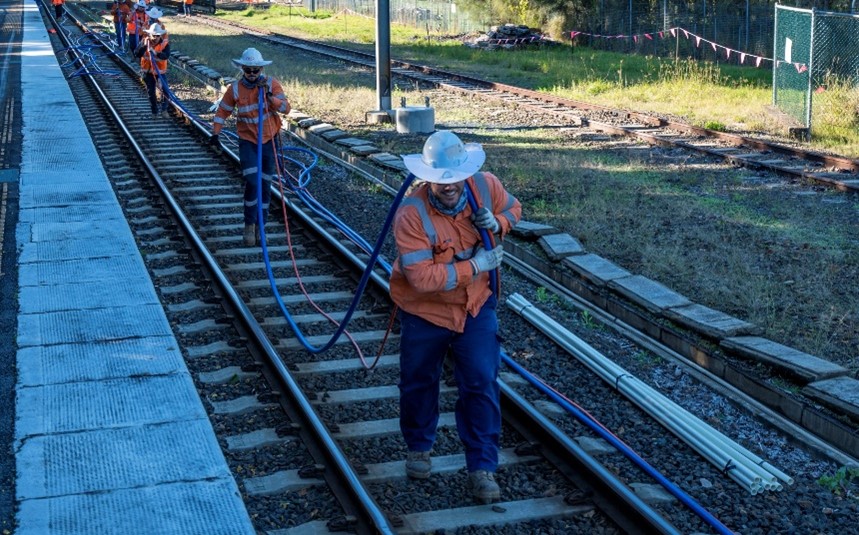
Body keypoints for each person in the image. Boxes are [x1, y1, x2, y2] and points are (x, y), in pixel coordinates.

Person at [390, 130, 521, 503]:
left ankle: (482, 468)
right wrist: (476, 264)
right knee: (417, 380)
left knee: (481, 381)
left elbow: (514, 208)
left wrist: (499, 224)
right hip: (426, 311)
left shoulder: (486, 185)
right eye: (438, 182)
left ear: (465, 172)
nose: (448, 188)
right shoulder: (411, 215)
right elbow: (422, 278)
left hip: (476, 305)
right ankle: (418, 446)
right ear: (427, 178)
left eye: (453, 180)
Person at [210, 48, 290, 246]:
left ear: (261, 69)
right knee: (253, 182)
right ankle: (249, 225)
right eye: (248, 70)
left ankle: (260, 228)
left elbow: (286, 108)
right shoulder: (235, 89)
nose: (252, 74)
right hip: (248, 141)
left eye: (256, 70)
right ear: (242, 69)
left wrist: (270, 97)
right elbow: (223, 111)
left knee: (265, 185)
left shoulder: (271, 84)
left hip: (269, 140)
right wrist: (215, 133)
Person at [134, 23, 170, 117]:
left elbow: (166, 55)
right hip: (148, 72)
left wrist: (156, 53)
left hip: (160, 72)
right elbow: (136, 54)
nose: (156, 38)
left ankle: (164, 110)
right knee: (151, 93)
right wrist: (144, 47)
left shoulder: (164, 44)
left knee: (166, 91)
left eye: (157, 36)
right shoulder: (144, 42)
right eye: (154, 35)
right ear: (150, 34)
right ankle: (154, 111)